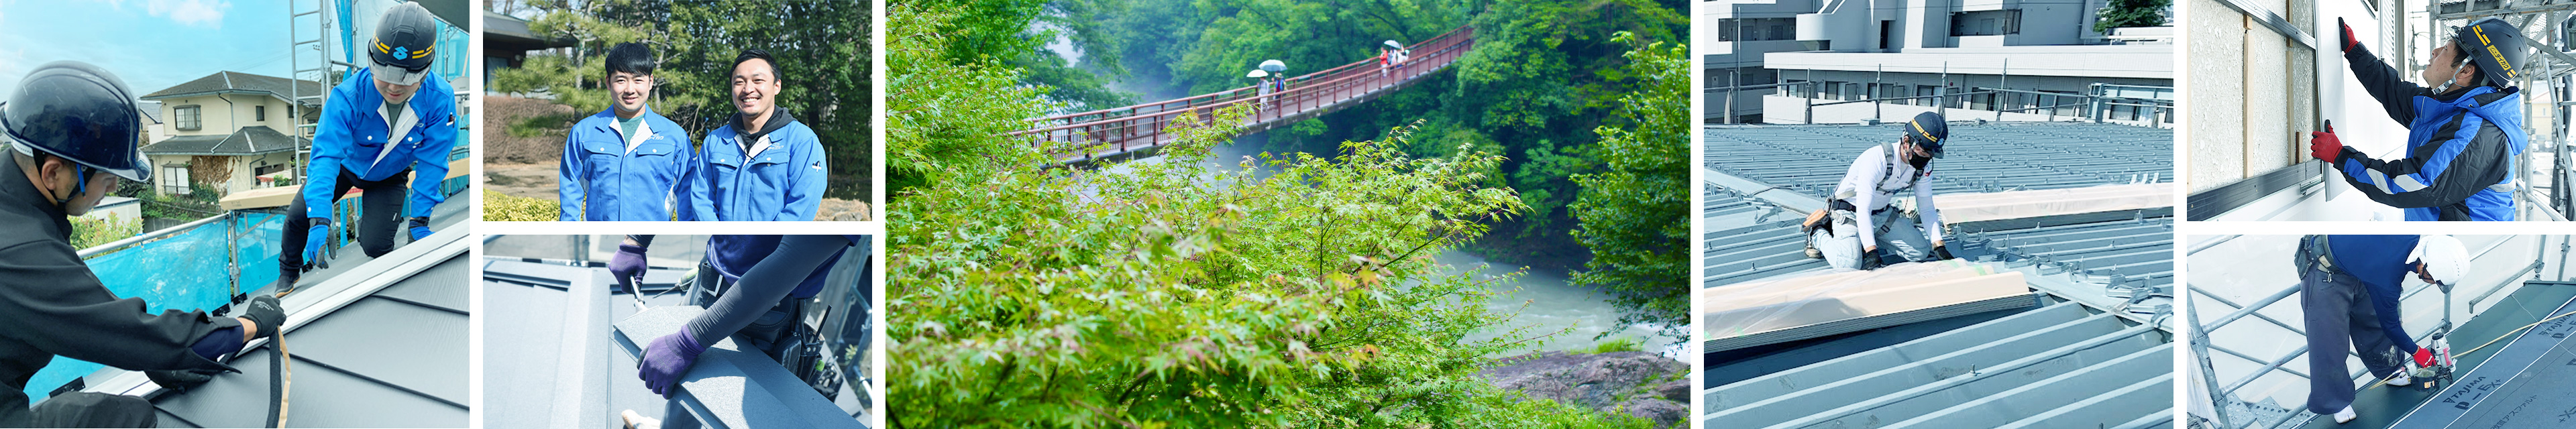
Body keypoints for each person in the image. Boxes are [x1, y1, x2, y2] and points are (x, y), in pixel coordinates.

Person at [0, 60, 287, 428]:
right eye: (107, 178)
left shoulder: (18, 212)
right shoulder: (19, 251)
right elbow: (121, 329)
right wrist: (248, 325)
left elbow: (80, 299)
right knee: (127, 419)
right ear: (53, 172)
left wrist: (154, 358)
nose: (115, 189)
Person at [276, 2, 460, 290]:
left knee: (376, 246)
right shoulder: (347, 96)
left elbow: (433, 162)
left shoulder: (440, 99)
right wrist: (321, 217)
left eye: (407, 79)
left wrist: (420, 220)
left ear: (424, 72)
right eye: (384, 77)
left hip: (389, 176)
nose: (394, 88)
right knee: (299, 216)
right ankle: (288, 271)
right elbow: (325, 157)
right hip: (345, 167)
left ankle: (382, 235)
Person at [611, 235, 867, 429]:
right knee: (688, 386)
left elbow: (791, 261)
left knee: (731, 409)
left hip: (762, 311)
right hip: (710, 274)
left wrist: (687, 343)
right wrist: (636, 240)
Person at [2310, 17, 2528, 221]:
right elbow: (2394, 92)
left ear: (2465, 71)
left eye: (2445, 49)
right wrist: (2354, 51)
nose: (2435, 52)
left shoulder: (2478, 136)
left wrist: (2341, 156)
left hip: (2460, 249)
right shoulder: (2448, 105)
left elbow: (2412, 184)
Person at [2296, 235, 2465, 423]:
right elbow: (2391, 326)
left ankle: (2390, 370)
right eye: (2435, 280)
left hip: (2361, 265)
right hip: (2325, 269)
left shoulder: (2413, 240)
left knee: (2373, 319)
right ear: (2424, 266)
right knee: (2328, 341)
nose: (2434, 283)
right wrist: (2417, 352)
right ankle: (2337, 400)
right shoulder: (2387, 277)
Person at [682, 49, 826, 221]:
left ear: (777, 86)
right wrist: (720, 243)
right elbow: (701, 200)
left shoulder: (802, 140)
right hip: (720, 247)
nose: (748, 89)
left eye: (758, 80)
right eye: (739, 82)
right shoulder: (715, 141)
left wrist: (762, 246)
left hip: (774, 247)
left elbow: (802, 205)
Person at [561, 42, 695, 221]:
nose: (630, 90)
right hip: (599, 242)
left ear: (651, 82)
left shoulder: (674, 137)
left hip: (653, 243)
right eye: (621, 80)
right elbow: (571, 189)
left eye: (638, 80)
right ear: (609, 82)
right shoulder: (584, 133)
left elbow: (688, 195)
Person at [1805, 112, 1951, 270]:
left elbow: (1927, 208)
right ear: (1907, 142)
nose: (1927, 159)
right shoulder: (1877, 159)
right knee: (1849, 264)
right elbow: (1863, 209)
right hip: (1850, 212)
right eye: (1924, 152)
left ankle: (1864, 237)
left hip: (1882, 214)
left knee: (1920, 252)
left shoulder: (1922, 168)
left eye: (1931, 155)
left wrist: (1938, 245)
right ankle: (1817, 233)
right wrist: (1871, 252)